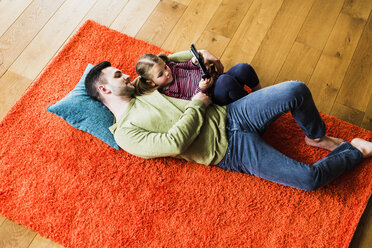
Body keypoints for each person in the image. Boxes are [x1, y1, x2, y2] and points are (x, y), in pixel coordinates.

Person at [84, 50, 372, 191]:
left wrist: (201, 54)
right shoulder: (126, 133)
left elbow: (167, 60)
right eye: (118, 76)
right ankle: (355, 150)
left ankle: (316, 136)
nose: (125, 75)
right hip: (229, 151)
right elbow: (173, 143)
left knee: (296, 89)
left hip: (232, 112)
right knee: (308, 179)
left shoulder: (141, 85)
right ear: (106, 90)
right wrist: (198, 103)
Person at [134, 53, 261, 105]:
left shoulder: (173, 67)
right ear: (151, 83)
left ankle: (259, 92)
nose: (167, 73)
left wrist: (194, 62)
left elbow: (187, 65)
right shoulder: (168, 92)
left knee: (243, 68)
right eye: (160, 74)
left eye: (165, 67)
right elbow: (192, 102)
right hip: (214, 95)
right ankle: (252, 104)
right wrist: (202, 88)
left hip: (215, 78)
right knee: (225, 81)